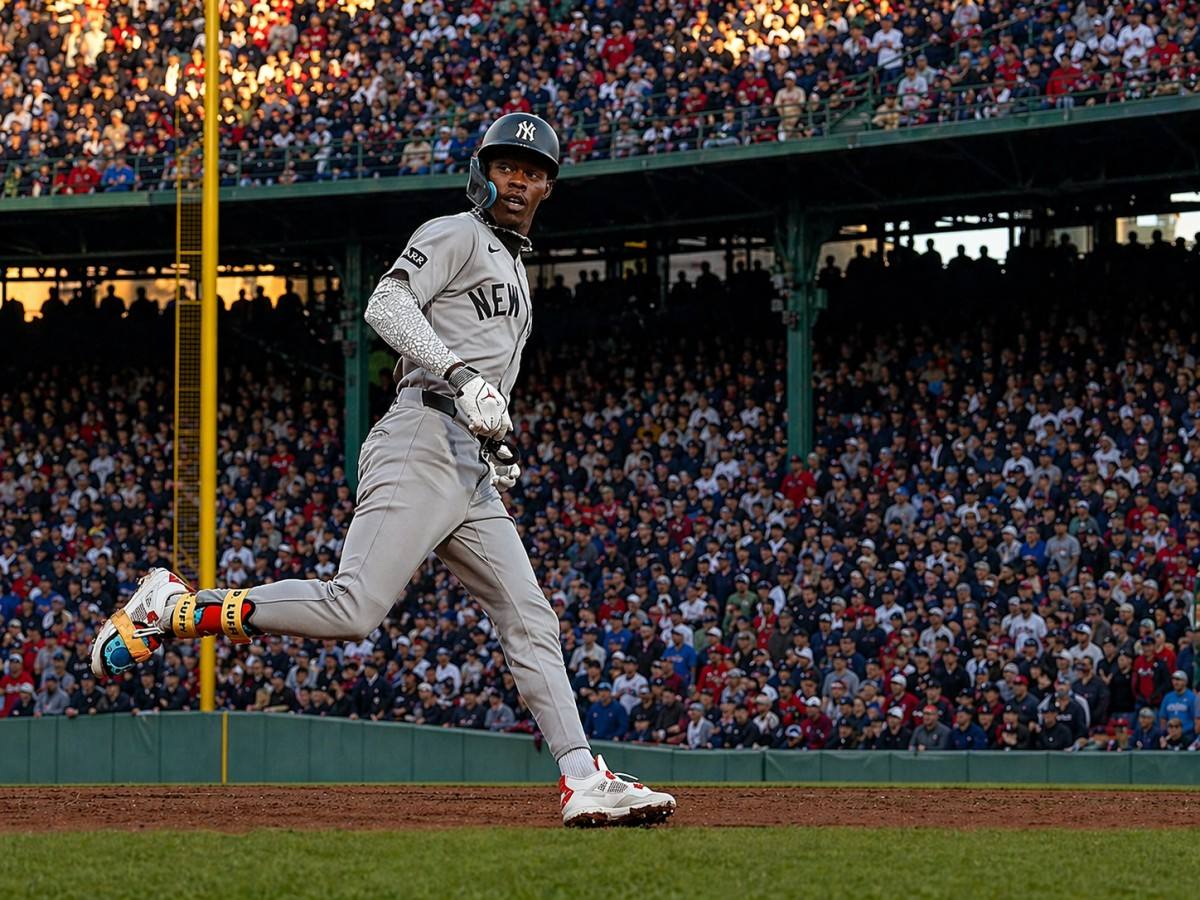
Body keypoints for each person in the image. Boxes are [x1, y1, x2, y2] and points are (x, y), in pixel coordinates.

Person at [87, 113, 674, 827]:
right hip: (420, 435)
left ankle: (583, 779)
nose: (519, 179)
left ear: (549, 185)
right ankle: (172, 609)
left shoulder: (516, 265)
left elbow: (479, 369)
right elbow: (386, 303)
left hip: (466, 463)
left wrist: (493, 442)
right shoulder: (456, 231)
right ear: (482, 171)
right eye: (507, 165)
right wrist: (461, 379)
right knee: (354, 608)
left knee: (530, 618)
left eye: (534, 170)